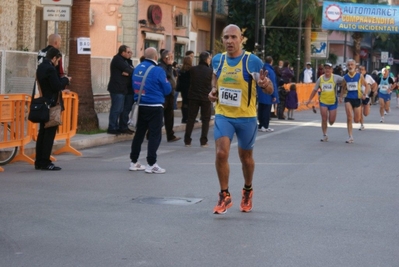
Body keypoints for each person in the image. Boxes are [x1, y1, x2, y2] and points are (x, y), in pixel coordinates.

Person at [208, 24, 273, 214]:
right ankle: (224, 195)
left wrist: (264, 84)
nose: (229, 41)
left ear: (241, 39)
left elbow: (269, 89)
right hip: (223, 115)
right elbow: (215, 79)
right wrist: (213, 91)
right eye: (226, 37)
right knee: (221, 153)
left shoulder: (252, 61)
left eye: (233, 37)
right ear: (222, 40)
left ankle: (247, 189)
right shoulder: (218, 60)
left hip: (246, 118)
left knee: (246, 158)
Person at [129, 47, 172, 174]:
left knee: (139, 134)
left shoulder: (137, 67)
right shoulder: (158, 70)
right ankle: (151, 163)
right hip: (154, 106)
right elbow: (167, 89)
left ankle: (134, 161)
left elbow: (134, 85)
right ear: (155, 57)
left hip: (140, 105)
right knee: (154, 135)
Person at [35, 47, 71, 170]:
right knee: (49, 134)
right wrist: (66, 80)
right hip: (51, 104)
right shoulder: (50, 68)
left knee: (42, 133)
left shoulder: (41, 67)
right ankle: (45, 161)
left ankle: (39, 161)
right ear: (54, 58)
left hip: (43, 103)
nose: (57, 63)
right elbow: (56, 86)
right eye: (58, 60)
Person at [306, 63, 343, 141]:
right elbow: (315, 90)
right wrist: (309, 100)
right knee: (324, 118)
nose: (327, 70)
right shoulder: (321, 79)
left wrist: (342, 94)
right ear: (323, 70)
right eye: (326, 68)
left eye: (329, 68)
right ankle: (324, 135)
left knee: (331, 121)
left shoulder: (335, 77)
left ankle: (330, 123)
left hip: (332, 101)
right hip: (323, 101)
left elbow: (345, 81)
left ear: (332, 70)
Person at [184, 51, 212, 147]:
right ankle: (203, 141)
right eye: (209, 59)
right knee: (205, 120)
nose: (210, 61)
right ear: (206, 59)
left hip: (193, 97)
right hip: (205, 97)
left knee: (191, 118)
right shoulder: (210, 71)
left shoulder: (193, 69)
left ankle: (187, 140)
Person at [339, 59, 369, 143]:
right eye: (349, 65)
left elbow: (367, 86)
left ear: (355, 66)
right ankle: (350, 136)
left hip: (357, 99)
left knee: (356, 119)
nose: (350, 66)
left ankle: (359, 121)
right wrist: (341, 97)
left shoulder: (359, 76)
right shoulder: (345, 77)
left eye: (352, 65)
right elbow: (343, 87)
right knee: (349, 117)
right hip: (348, 98)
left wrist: (364, 94)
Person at [107, 45, 134, 135]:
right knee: (116, 109)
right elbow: (129, 70)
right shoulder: (117, 60)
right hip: (117, 88)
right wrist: (128, 71)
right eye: (128, 52)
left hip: (124, 89)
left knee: (122, 109)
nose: (130, 54)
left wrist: (128, 71)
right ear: (123, 52)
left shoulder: (126, 61)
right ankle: (112, 127)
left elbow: (131, 70)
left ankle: (121, 127)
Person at [158, 50, 181, 142]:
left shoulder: (168, 66)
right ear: (165, 58)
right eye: (170, 57)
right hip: (164, 95)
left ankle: (170, 135)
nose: (172, 59)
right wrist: (169, 65)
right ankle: (150, 133)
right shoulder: (161, 66)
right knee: (160, 115)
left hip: (170, 94)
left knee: (169, 116)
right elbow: (166, 76)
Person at [257, 56, 278, 132]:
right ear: (271, 61)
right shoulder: (271, 71)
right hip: (268, 93)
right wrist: (274, 95)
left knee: (261, 109)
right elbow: (272, 84)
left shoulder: (261, 69)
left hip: (261, 92)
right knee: (266, 110)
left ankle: (260, 125)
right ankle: (265, 125)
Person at [119, 51, 135, 134]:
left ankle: (125, 125)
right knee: (125, 109)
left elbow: (131, 72)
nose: (130, 54)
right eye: (128, 52)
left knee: (127, 109)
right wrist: (131, 72)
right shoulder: (122, 62)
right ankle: (123, 126)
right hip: (127, 89)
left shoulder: (129, 62)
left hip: (131, 89)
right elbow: (128, 72)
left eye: (131, 52)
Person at [358, 66, 377, 130]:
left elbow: (375, 84)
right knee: (359, 111)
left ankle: (368, 105)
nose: (361, 71)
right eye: (360, 69)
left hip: (366, 96)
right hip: (358, 96)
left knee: (365, 114)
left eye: (362, 70)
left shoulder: (368, 77)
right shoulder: (356, 77)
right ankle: (362, 125)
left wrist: (372, 91)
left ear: (365, 71)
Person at [176, 56, 192, 123]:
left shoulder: (181, 70)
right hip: (190, 89)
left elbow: (179, 80)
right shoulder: (191, 70)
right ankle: (189, 117)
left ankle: (184, 117)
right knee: (190, 103)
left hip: (183, 89)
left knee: (184, 103)